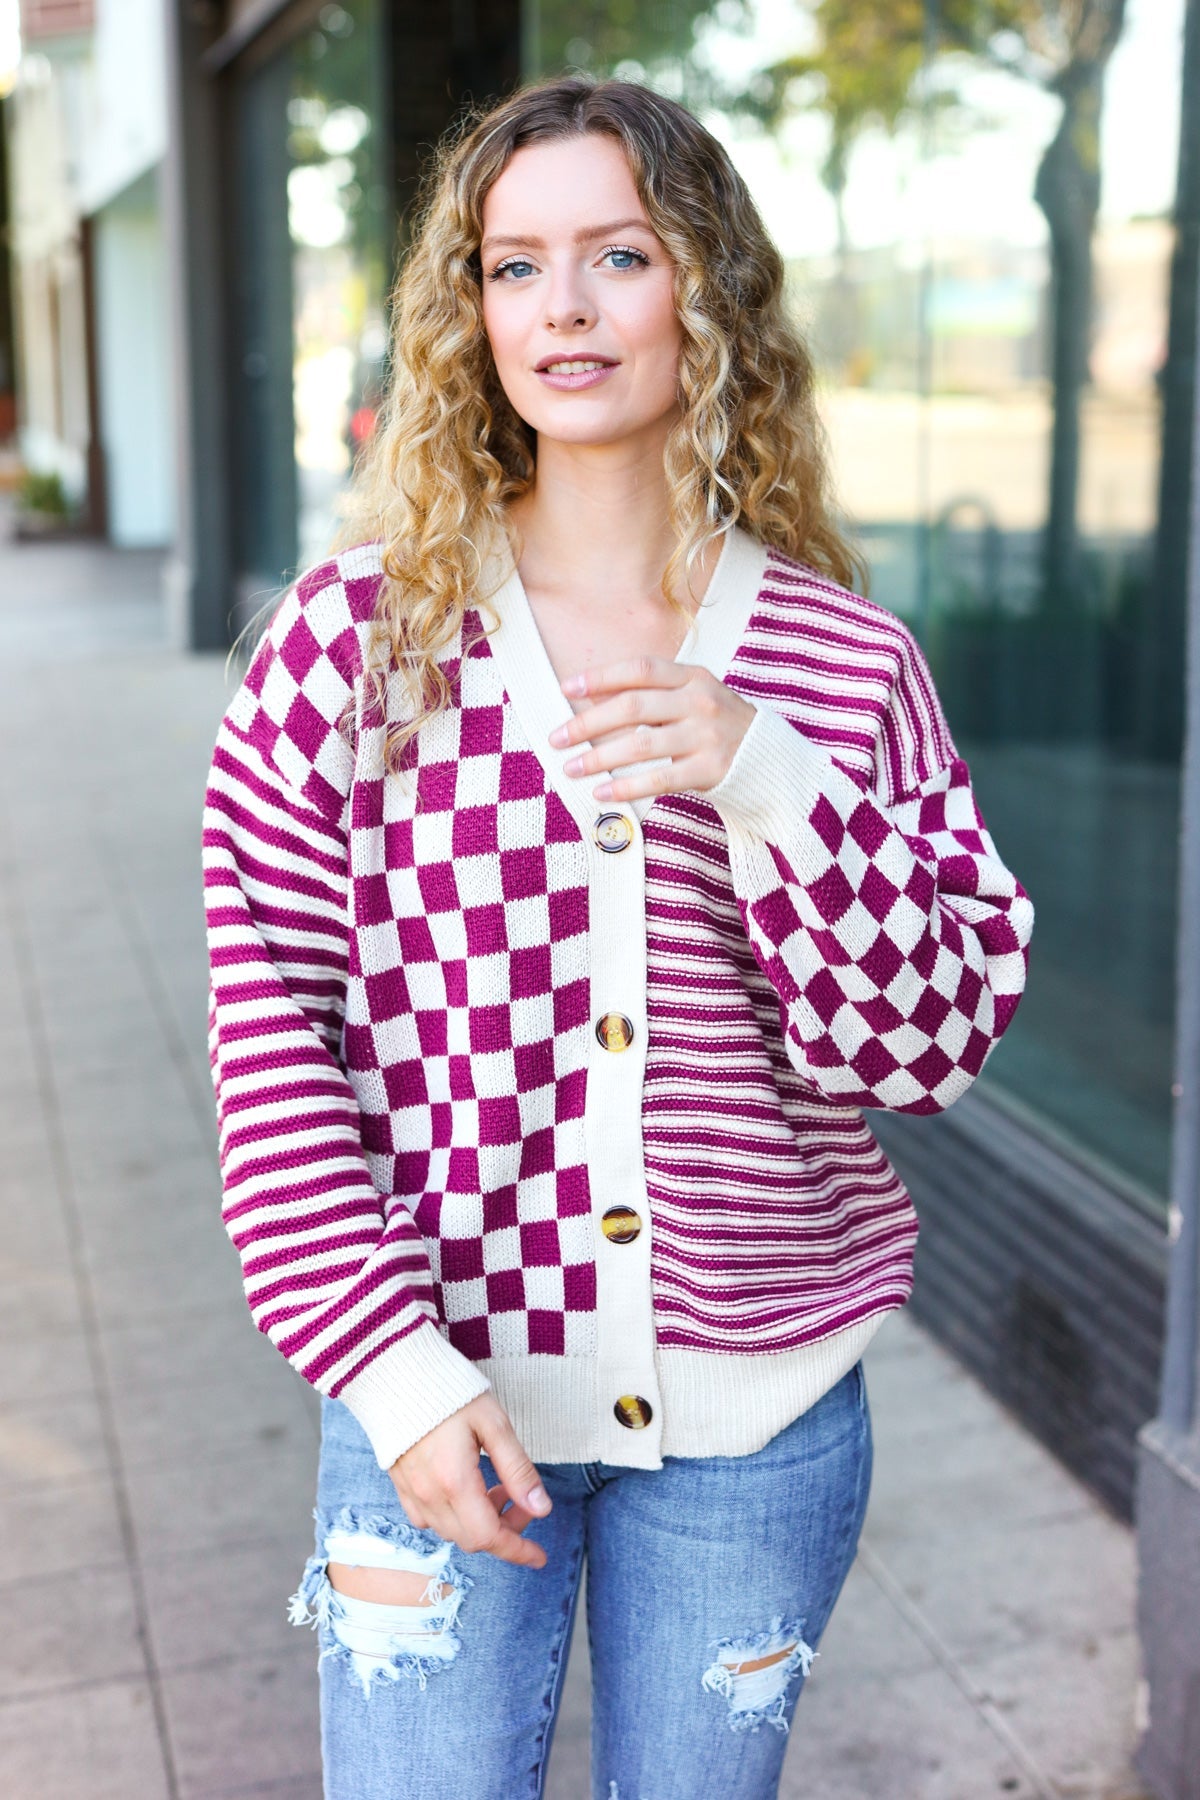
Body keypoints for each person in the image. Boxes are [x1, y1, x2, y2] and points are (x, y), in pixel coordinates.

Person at [202, 73, 1034, 1800]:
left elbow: (933, 1048)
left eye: (619, 256)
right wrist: (389, 1366)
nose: (563, 310)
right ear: (469, 311)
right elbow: (275, 1040)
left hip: (757, 1429)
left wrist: (764, 777)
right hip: (440, 1396)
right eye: (514, 267)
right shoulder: (356, 650)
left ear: (704, 293)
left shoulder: (838, 666)